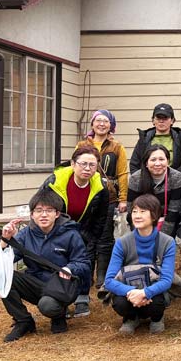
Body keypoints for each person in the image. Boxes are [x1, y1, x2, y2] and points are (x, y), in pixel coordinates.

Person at [0, 189, 90, 342]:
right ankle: (23, 321)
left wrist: (69, 268)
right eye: (39, 210)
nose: (44, 215)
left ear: (57, 214)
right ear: (32, 214)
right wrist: (5, 239)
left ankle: (58, 315)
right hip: (36, 283)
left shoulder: (70, 234)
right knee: (3, 276)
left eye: (49, 210)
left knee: (47, 305)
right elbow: (2, 261)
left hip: (62, 286)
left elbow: (83, 263)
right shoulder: (26, 234)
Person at [41, 144, 110, 317]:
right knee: (58, 263)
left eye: (92, 165)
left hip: (84, 231)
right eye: (83, 164)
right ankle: (58, 299)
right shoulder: (54, 181)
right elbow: (39, 205)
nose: (87, 169)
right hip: (57, 230)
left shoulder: (101, 186)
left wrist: (92, 237)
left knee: (83, 263)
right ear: (73, 164)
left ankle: (82, 297)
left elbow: (101, 217)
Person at [102, 194, 176, 335]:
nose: (137, 215)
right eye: (135, 211)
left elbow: (167, 280)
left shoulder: (167, 242)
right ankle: (131, 318)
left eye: (143, 211)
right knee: (119, 302)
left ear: (154, 216)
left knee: (157, 301)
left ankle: (157, 318)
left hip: (152, 291)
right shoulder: (122, 242)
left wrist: (144, 292)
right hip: (129, 290)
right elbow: (109, 280)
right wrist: (131, 292)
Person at [78, 109, 129, 281]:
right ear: (92, 124)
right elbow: (75, 170)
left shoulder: (117, 147)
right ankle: (87, 273)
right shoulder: (82, 146)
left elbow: (122, 173)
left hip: (109, 197)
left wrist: (123, 199)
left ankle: (103, 275)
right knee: (86, 235)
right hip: (87, 196)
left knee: (105, 236)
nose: (101, 124)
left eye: (106, 121)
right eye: (98, 120)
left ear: (111, 126)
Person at [126, 145, 181, 239]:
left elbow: (174, 212)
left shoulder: (177, 178)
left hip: (167, 223)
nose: (157, 164)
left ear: (168, 161)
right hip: (141, 223)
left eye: (161, 159)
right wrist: (140, 235)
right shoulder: (136, 179)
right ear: (146, 163)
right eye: (153, 160)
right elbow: (131, 211)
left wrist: (161, 238)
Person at [129, 103, 181, 178]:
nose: (161, 121)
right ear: (153, 120)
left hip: (173, 184)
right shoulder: (144, 139)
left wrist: (175, 181)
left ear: (172, 120)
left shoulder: (180, 139)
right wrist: (142, 181)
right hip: (147, 184)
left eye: (165, 118)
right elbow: (134, 164)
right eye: (158, 118)